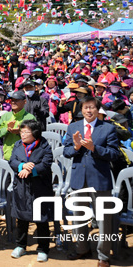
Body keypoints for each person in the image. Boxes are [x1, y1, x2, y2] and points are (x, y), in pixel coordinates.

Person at [63, 96, 121, 267]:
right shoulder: (73, 127)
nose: (89, 110)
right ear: (81, 110)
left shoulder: (108, 129)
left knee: (104, 219)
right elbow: (66, 152)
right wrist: (76, 147)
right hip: (78, 178)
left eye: (92, 108)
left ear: (98, 110)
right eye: (85, 107)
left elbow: (114, 154)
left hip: (100, 179)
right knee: (79, 217)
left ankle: (103, 256)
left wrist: (94, 148)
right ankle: (82, 248)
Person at [9, 120, 54, 263]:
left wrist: (29, 170)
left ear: (34, 133)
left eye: (26, 132)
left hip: (39, 187)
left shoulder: (44, 146)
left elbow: (46, 164)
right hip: (22, 188)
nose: (22, 134)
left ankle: (43, 249)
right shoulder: (18, 145)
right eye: (21, 131)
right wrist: (22, 165)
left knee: (41, 220)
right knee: (21, 218)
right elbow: (12, 161)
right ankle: (21, 245)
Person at [0, 91, 36, 160]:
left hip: (23, 156)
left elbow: (34, 136)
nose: (13, 102)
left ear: (24, 102)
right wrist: (7, 129)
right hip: (7, 155)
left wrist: (20, 132)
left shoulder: (30, 118)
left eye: (16, 100)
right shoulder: (5, 116)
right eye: (12, 100)